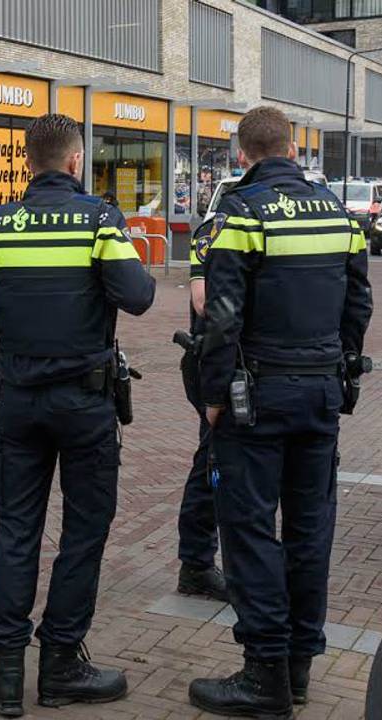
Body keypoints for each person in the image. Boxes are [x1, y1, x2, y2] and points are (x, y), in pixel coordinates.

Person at [0, 114, 155, 717]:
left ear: (29, 163)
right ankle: (60, 664)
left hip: (19, 403)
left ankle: (6, 672)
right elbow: (138, 297)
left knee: (17, 530)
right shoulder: (99, 219)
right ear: (76, 161)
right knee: (84, 531)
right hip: (85, 404)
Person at [189, 106, 372, 718]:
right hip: (319, 394)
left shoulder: (242, 213)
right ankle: (298, 669)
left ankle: (263, 673)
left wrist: (213, 396)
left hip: (257, 399)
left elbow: (221, 316)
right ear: (292, 149)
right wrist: (342, 371)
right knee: (310, 532)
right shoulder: (342, 217)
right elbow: (358, 306)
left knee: (247, 531)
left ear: (244, 153)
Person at [174, 207, 228, 603]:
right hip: (214, 359)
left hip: (239, 360)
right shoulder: (218, 226)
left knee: (217, 457)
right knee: (213, 458)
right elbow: (202, 300)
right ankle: (196, 564)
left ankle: (199, 563)